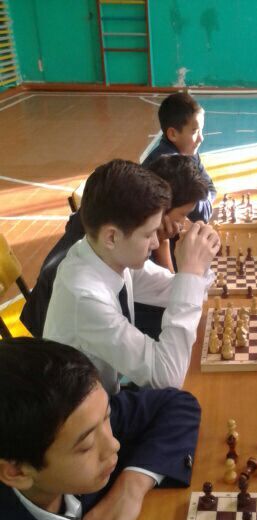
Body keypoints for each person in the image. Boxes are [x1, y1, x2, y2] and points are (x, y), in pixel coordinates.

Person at [0, 337, 201, 520]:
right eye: (86, 447)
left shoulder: (81, 416)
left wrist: (131, 487)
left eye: (107, 417)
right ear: (16, 471)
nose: (113, 445)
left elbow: (178, 405)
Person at [43, 159, 220, 395]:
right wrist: (190, 274)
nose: (156, 242)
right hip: (87, 410)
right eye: (148, 234)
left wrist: (196, 268)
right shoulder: (85, 297)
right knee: (188, 401)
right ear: (112, 237)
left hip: (106, 392)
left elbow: (173, 290)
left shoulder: (106, 254)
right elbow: (167, 378)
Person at [20, 155, 211, 339]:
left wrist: (180, 258)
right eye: (182, 216)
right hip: (47, 320)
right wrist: (189, 269)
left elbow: (168, 289)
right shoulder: (113, 250)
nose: (184, 224)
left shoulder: (122, 227)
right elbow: (163, 355)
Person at [142, 91, 216, 224]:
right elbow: (203, 213)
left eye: (201, 130)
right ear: (173, 134)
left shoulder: (189, 152)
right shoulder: (173, 171)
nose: (201, 138)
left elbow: (210, 188)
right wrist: (206, 197)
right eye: (195, 131)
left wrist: (206, 196)